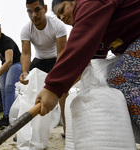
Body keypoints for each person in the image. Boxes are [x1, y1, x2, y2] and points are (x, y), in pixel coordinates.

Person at [35, 0, 140, 143]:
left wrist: (53, 87)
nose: (62, 18)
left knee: (122, 77)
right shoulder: (95, 25)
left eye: (62, 10)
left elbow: (79, 45)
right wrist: (64, 87)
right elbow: (88, 62)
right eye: (59, 17)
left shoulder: (90, 3)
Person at [19, 0, 68, 137]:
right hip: (39, 60)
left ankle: (66, 129)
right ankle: (23, 131)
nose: (34, 15)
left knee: (63, 93)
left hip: (56, 60)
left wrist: (56, 77)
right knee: (28, 90)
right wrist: (24, 72)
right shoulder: (26, 30)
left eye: (37, 9)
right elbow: (26, 53)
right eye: (29, 11)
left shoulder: (57, 25)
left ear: (45, 8)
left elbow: (62, 53)